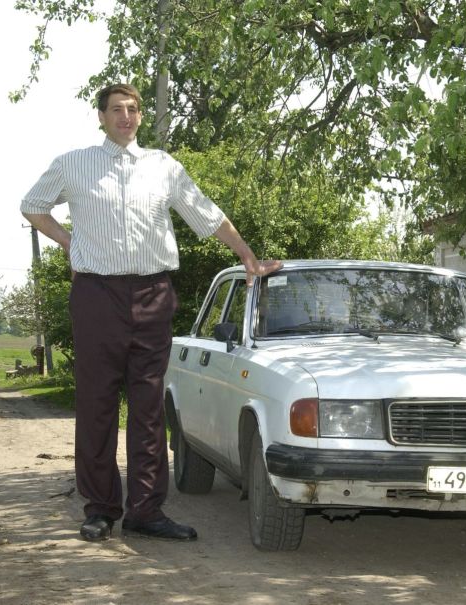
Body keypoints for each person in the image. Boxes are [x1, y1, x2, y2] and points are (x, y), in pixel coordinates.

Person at [21, 83, 281, 542]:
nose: (126, 116)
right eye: (116, 109)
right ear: (101, 117)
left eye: (133, 109)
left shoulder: (164, 167)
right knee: (97, 405)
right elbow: (33, 206)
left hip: (153, 294)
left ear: (141, 116)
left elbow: (207, 215)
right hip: (97, 295)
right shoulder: (73, 164)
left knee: (148, 408)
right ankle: (100, 509)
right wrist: (70, 244)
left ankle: (145, 511)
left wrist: (247, 256)